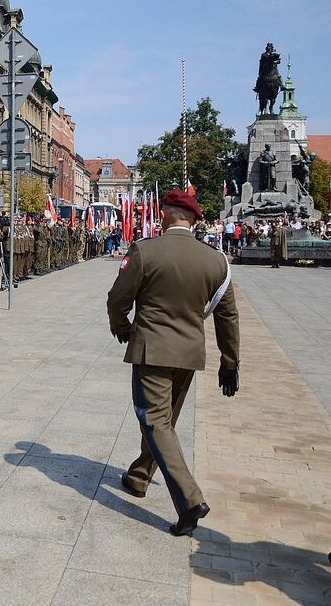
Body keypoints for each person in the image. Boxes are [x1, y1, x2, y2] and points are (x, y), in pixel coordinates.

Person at [107, 189, 240, 536]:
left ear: (165, 213)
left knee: (154, 422)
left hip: (152, 349)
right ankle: (139, 476)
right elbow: (228, 316)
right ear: (195, 219)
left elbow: (117, 298)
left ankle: (189, 499)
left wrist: (122, 327)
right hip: (190, 353)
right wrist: (231, 361)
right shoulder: (216, 260)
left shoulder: (146, 250)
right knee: (162, 422)